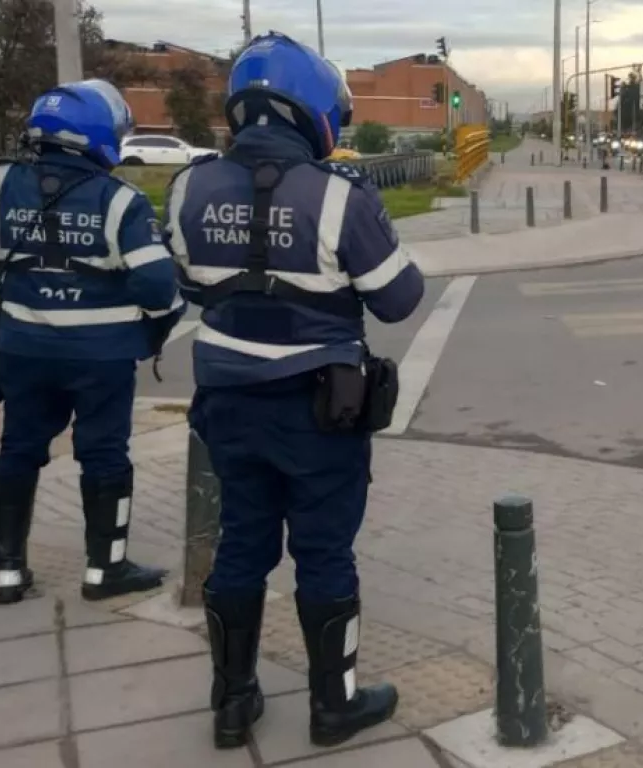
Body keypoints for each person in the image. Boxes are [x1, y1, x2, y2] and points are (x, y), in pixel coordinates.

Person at [165, 33, 425, 750]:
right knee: (323, 551)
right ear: (313, 110)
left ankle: (232, 701)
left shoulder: (189, 186)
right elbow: (400, 299)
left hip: (226, 405)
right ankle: (333, 705)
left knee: (241, 543)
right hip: (320, 410)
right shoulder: (340, 196)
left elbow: (188, 284)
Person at [0, 80, 181, 606]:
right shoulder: (121, 201)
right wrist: (156, 328)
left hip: (23, 346)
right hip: (101, 356)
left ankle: (6, 571)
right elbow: (158, 287)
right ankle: (105, 569)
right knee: (104, 454)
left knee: (17, 450)